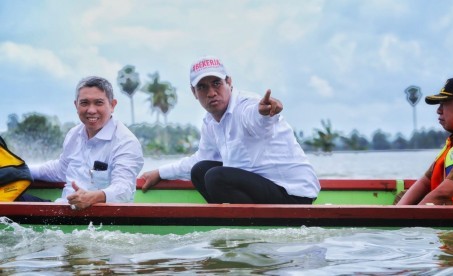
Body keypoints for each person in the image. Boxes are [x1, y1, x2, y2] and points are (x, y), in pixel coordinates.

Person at [141, 55, 320, 204]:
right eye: (202, 87)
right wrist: (160, 172)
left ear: (229, 82)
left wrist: (264, 113)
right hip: (263, 189)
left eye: (216, 83)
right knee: (199, 170)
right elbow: (202, 158)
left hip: (293, 194)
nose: (211, 93)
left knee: (216, 178)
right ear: (194, 92)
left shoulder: (245, 105)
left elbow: (256, 119)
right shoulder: (210, 122)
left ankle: (246, 228)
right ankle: (232, 224)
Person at [29, 76, 144, 210]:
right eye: (84, 103)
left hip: (102, 220)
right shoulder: (74, 134)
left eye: (98, 103)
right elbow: (60, 170)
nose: (91, 110)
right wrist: (18, 169)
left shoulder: (126, 142)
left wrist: (92, 197)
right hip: (63, 211)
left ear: (112, 105)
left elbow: (123, 190)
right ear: (76, 105)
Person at [397, 77, 453, 205]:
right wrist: (398, 211)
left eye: (444, 104)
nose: (438, 110)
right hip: (449, 218)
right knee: (402, 195)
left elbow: (441, 194)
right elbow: (425, 182)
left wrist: (408, 220)